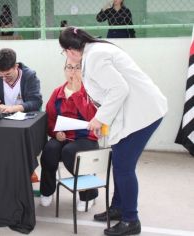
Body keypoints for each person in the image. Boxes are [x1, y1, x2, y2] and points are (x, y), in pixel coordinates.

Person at [59, 27, 167, 236]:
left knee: (123, 167)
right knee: (119, 164)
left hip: (143, 114)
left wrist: (99, 120)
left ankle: (131, 220)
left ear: (71, 50)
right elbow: (109, 96)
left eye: (63, 52)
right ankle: (118, 207)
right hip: (133, 112)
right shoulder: (94, 51)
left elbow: (119, 89)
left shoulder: (95, 57)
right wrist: (103, 123)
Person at [39, 58, 99, 211]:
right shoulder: (57, 92)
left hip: (85, 138)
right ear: (64, 70)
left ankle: (88, 194)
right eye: (69, 67)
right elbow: (50, 120)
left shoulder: (90, 92)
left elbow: (93, 118)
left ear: (83, 71)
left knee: (70, 152)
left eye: (77, 67)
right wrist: (55, 133)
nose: (73, 71)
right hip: (63, 137)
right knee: (49, 150)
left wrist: (78, 93)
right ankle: (47, 191)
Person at [0, 48, 42, 113]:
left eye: (8, 74)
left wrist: (13, 109)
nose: (4, 78)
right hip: (3, 119)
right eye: (1, 75)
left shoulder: (29, 77)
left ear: (16, 66)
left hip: (26, 118)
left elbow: (36, 102)